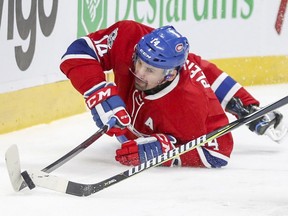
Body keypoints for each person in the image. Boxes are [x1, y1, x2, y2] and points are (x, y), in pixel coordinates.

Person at [60, 20, 286, 168]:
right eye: (139, 61)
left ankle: (247, 107)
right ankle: (248, 107)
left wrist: (167, 151)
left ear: (169, 75)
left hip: (187, 98)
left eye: (149, 70)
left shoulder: (191, 104)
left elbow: (220, 152)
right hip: (184, 71)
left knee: (198, 73)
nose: (137, 72)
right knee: (197, 66)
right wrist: (97, 90)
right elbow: (77, 53)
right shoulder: (130, 37)